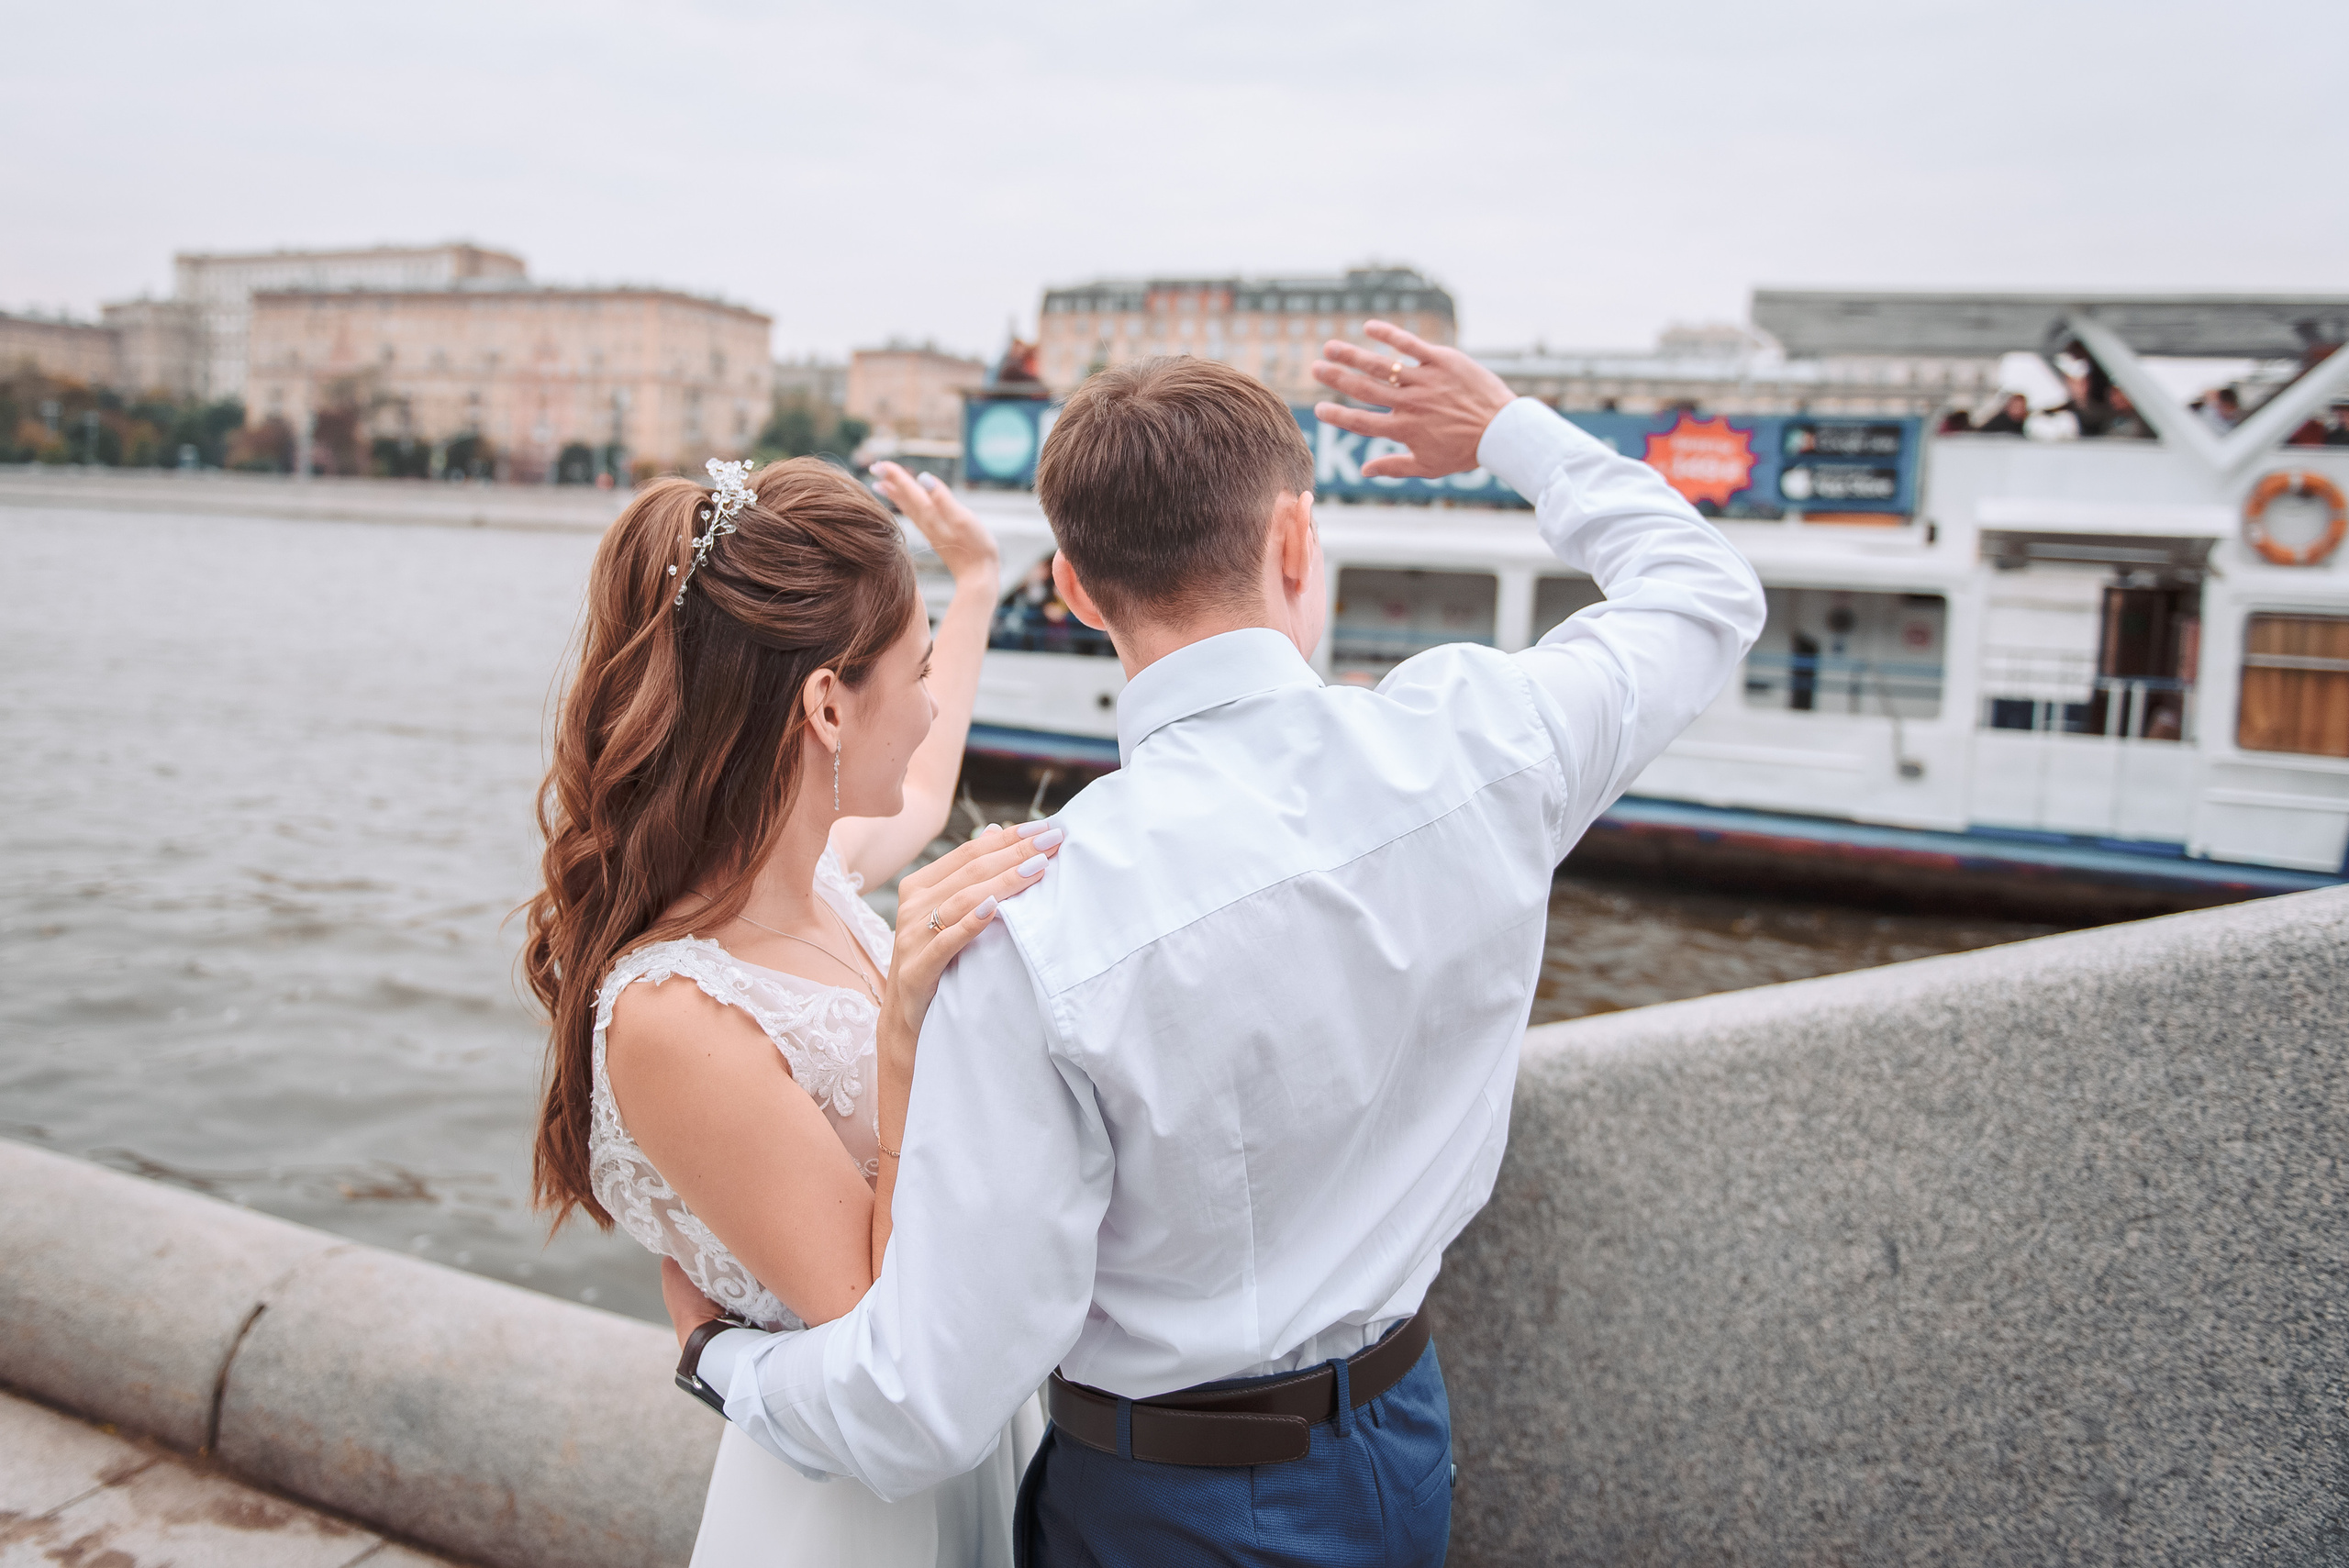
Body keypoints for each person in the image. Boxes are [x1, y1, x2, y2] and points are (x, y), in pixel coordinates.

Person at [667, 331, 1765, 1567]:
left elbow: (926, 1401)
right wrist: (1505, 427)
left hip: (1163, 1502)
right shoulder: (1489, 740)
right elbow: (1704, 591)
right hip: (1404, 1440)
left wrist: (728, 1361)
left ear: (1077, 594)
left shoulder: (1030, 919)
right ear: (1293, 539)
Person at [525, 455, 1067, 1566]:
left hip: (982, 1438)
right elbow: (879, 1325)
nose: (926, 705)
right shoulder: (675, 1010)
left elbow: (924, 776)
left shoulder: (816, 883)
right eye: (911, 674)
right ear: (826, 703)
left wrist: (972, 584)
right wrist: (908, 1028)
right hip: (863, 1515)